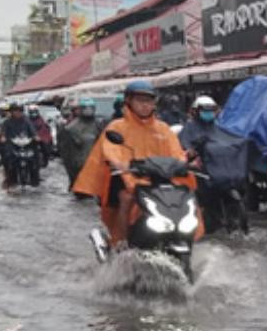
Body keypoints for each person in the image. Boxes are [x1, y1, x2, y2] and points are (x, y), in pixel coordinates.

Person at [72, 80, 198, 247]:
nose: (145, 105)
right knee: (126, 198)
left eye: (149, 101)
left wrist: (185, 162)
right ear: (128, 101)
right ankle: (122, 244)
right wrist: (120, 164)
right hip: (127, 178)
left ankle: (185, 238)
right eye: (140, 100)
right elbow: (111, 151)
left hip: (159, 179)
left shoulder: (163, 129)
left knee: (184, 198)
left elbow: (175, 152)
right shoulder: (117, 127)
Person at [59, 97, 105, 192]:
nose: (88, 111)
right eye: (86, 108)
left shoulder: (99, 124)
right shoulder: (71, 128)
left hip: (97, 166)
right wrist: (72, 174)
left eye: (90, 108)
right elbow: (66, 154)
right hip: (79, 167)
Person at [0, 101, 38, 188]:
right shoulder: (7, 122)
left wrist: (35, 136)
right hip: (12, 144)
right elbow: (3, 131)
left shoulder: (26, 121)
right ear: (11, 112)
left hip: (25, 143)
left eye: (19, 111)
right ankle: (8, 179)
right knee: (7, 157)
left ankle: (35, 180)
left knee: (35, 158)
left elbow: (32, 130)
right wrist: (3, 137)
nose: (17, 113)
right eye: (15, 111)